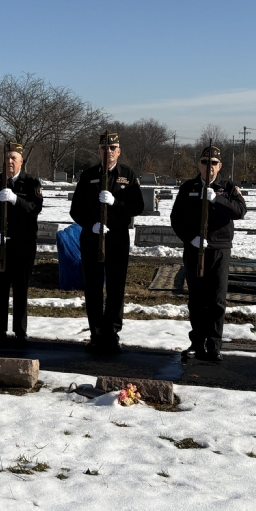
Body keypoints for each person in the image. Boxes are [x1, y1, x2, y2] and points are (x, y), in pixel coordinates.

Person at [70, 132, 145, 352]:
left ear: (119, 152)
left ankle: (112, 334)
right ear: (99, 151)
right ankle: (96, 334)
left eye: (113, 148)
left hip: (117, 239)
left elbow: (137, 207)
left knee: (116, 288)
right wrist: (91, 225)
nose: (108, 151)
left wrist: (116, 202)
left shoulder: (127, 176)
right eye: (104, 148)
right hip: (92, 238)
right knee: (93, 288)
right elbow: (76, 210)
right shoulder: (88, 176)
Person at [170, 144, 246, 362]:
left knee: (217, 299)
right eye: (205, 162)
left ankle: (214, 345)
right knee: (196, 298)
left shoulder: (228, 188)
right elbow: (176, 218)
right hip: (194, 248)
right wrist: (191, 238)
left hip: (219, 249)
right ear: (199, 164)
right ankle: (197, 343)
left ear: (220, 166)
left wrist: (217, 199)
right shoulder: (188, 187)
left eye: (214, 163)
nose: (209, 167)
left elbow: (240, 211)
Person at [0, 140, 43, 345]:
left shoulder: (31, 183)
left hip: (23, 245)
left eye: (13, 158)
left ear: (21, 161)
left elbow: (35, 208)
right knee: (0, 286)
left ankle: (20, 330)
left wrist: (16, 199)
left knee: (21, 287)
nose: (10, 161)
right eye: (7, 158)